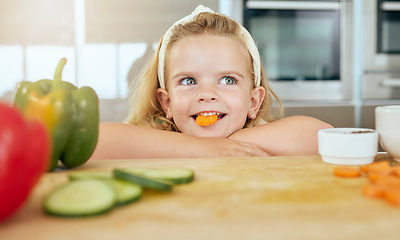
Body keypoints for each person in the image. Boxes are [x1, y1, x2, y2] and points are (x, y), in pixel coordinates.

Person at [90, 5, 332, 160]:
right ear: (167, 103)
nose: (206, 94)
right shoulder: (156, 139)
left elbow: (323, 137)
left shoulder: (259, 135)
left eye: (228, 80)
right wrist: (199, 148)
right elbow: (96, 140)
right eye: (188, 80)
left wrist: (228, 144)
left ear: (253, 101)